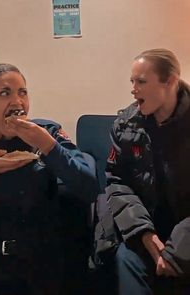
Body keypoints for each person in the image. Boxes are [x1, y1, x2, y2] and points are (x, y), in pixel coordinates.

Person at [0, 63, 98, 295]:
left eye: (23, 92)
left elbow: (89, 186)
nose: (17, 102)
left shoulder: (45, 133)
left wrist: (49, 147)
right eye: (4, 93)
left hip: (41, 266)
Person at [105, 48, 190, 294]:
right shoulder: (125, 125)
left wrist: (179, 248)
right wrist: (143, 233)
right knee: (126, 260)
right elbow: (116, 180)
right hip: (144, 229)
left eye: (141, 81)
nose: (133, 89)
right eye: (132, 81)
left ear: (171, 81)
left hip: (185, 231)